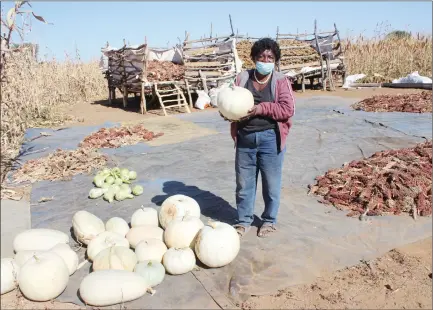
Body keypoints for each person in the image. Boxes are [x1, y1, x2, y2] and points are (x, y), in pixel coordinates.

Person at [221, 38, 296, 238]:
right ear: (254, 58)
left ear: (275, 60)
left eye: (270, 57)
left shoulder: (280, 81)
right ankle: (243, 220)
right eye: (261, 56)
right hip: (245, 139)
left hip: (270, 139)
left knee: (271, 185)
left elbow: (288, 110)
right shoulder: (242, 78)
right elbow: (228, 101)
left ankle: (269, 221)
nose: (265, 60)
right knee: (244, 185)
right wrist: (227, 112)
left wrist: (260, 109)